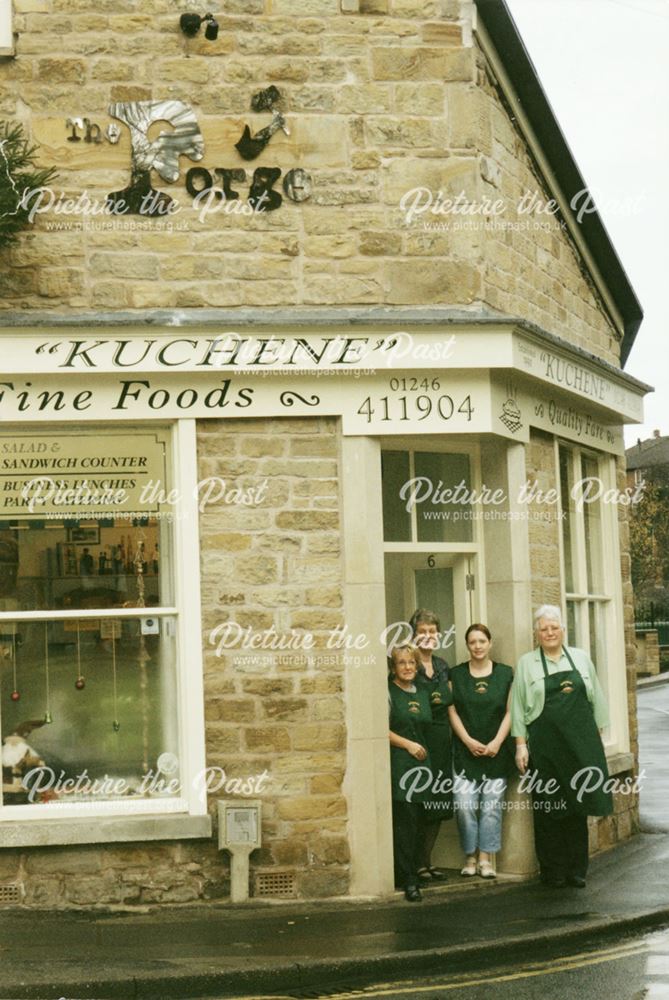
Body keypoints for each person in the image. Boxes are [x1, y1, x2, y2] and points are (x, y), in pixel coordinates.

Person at [511, 604, 612, 888]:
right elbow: (518, 707)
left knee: (577, 808)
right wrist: (521, 745)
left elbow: (597, 702)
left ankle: (576, 870)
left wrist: (597, 743)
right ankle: (552, 871)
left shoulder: (580, 658)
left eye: (554, 627)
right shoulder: (526, 664)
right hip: (544, 747)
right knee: (548, 809)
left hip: (580, 746)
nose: (550, 632)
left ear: (563, 630)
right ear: (536, 633)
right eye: (544, 628)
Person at [448, 624, 514, 879]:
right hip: (465, 752)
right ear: (467, 645)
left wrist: (497, 742)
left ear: (490, 643)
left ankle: (486, 857)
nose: (477, 646)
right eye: (472, 642)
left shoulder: (506, 674)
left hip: (495, 752)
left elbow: (510, 711)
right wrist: (466, 740)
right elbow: (451, 710)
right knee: (464, 805)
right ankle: (470, 856)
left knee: (491, 807)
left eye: (482, 641)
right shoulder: (456, 674)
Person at [388, 642, 435, 902]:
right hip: (400, 765)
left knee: (420, 822)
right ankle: (408, 880)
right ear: (393, 667)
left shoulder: (422, 691)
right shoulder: (388, 692)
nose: (407, 667)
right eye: (401, 663)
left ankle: (411, 871)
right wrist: (408, 744)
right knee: (405, 823)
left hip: (421, 766)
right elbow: (380, 729)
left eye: (411, 662)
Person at [410, 608, 453, 882]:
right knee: (417, 805)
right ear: (414, 635)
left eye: (432, 632)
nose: (428, 636)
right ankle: (414, 863)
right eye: (422, 632)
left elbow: (450, 703)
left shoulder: (442, 666)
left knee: (437, 804)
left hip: (441, 739)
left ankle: (427, 860)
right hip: (416, 739)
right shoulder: (406, 663)